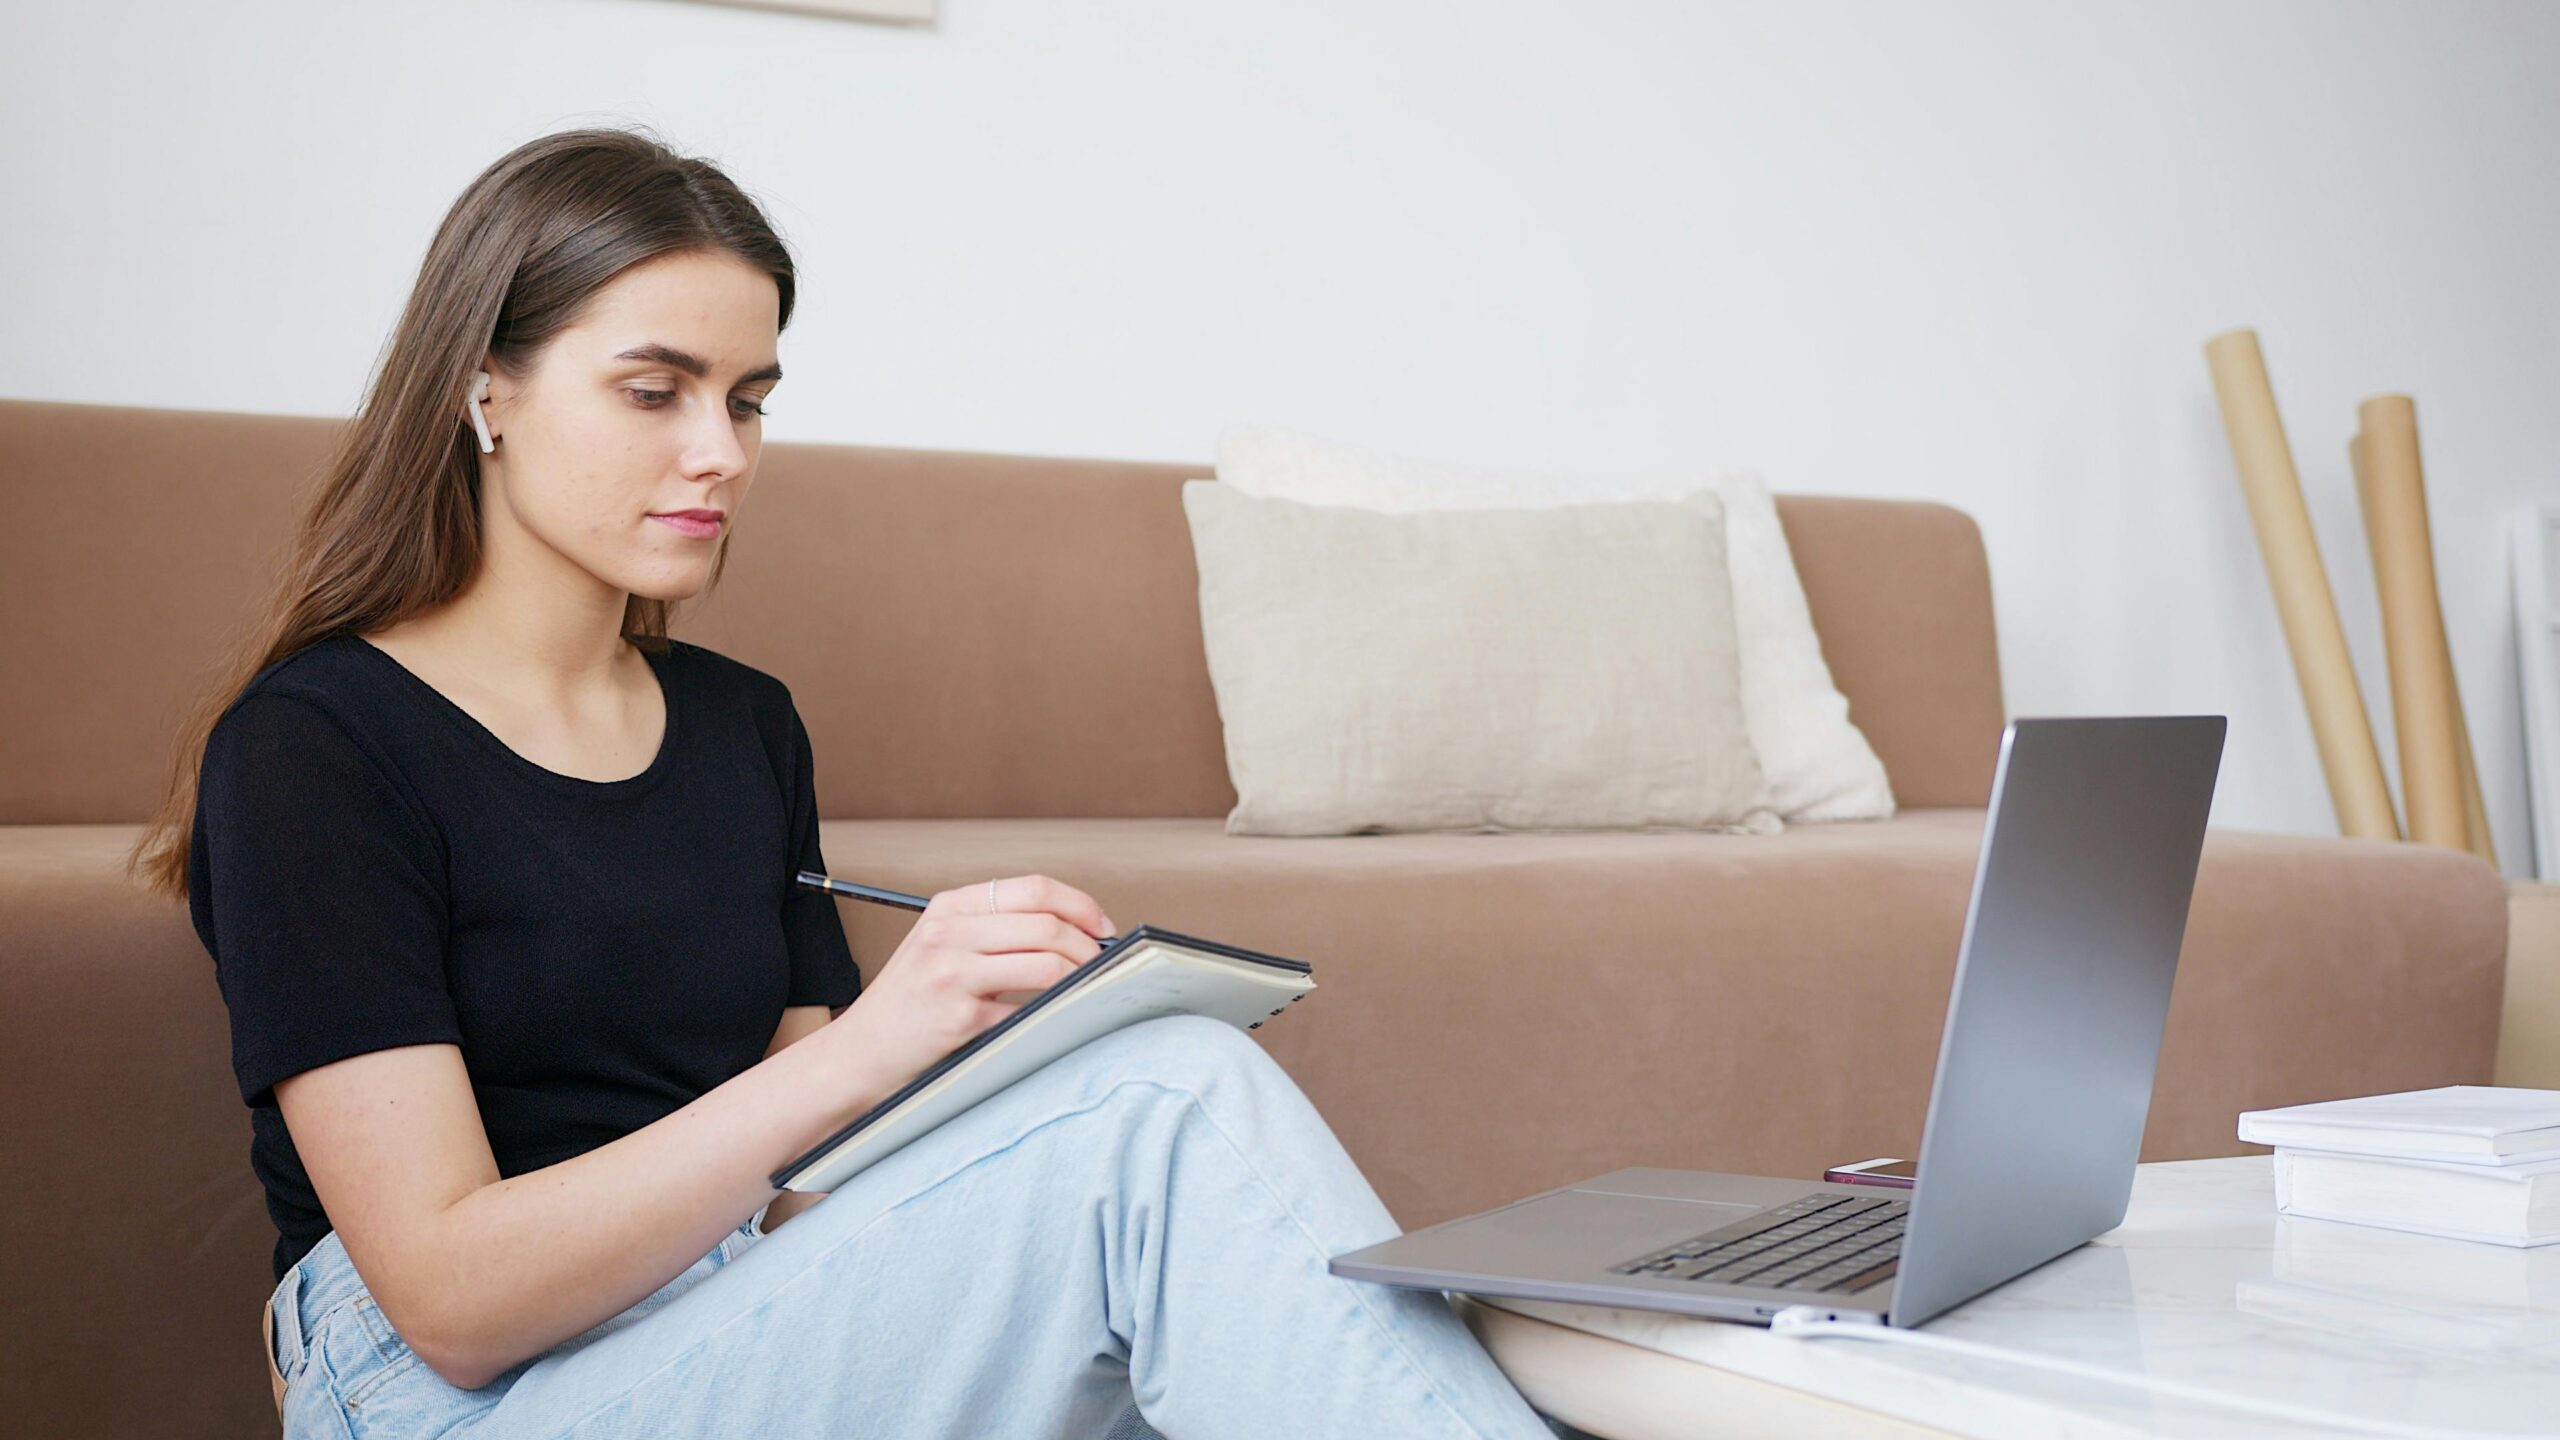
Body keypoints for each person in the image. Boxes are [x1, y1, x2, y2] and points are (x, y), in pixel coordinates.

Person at [124, 125, 1565, 1439]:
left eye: (748, 401)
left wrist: (999, 1067)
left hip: (728, 1308)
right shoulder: (316, 747)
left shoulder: (744, 727)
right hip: (454, 1393)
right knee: (1168, 1108)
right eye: (654, 391)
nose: (719, 454)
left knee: (1144, 1119)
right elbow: (450, 1298)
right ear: (482, 390)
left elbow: (814, 1187)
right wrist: (880, 1044)